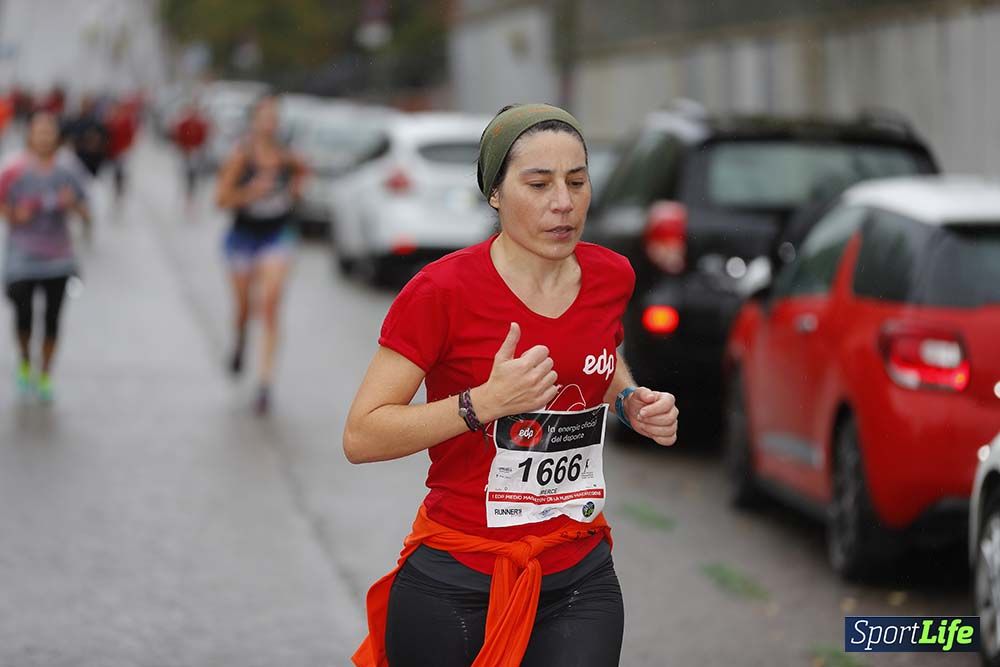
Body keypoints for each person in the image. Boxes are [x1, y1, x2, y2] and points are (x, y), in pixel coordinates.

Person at [345, 104, 680, 667]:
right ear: (495, 194)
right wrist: (484, 404)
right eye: (539, 183)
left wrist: (627, 399)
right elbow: (362, 434)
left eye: (577, 182)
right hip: (457, 577)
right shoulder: (440, 291)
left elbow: (598, 357)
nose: (563, 203)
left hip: (578, 571)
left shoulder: (610, 275)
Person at [215, 93, 307, 415]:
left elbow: (302, 176)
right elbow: (221, 199)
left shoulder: (287, 156)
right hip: (243, 237)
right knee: (244, 309)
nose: (270, 123)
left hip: (276, 236)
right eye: (264, 117)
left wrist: (296, 190)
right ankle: (240, 339)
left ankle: (265, 384)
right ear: (254, 121)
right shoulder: (242, 155)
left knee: (269, 305)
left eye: (274, 117)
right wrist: (250, 192)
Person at [1, 111, 91, 402]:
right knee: (24, 314)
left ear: (56, 136)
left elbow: (88, 210)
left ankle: (46, 374)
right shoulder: (14, 168)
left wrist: (72, 204)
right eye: (38, 131)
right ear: (30, 135)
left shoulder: (68, 168)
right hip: (22, 256)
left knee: (52, 318)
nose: (44, 137)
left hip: (58, 257)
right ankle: (26, 361)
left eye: (49, 132)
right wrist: (15, 214)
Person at [171, 102, 210, 203]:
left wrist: (198, 149)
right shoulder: (184, 124)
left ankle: (191, 194)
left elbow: (204, 138)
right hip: (185, 152)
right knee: (184, 174)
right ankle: (184, 193)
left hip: (195, 153)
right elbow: (178, 137)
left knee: (193, 175)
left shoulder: (200, 124)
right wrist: (183, 149)